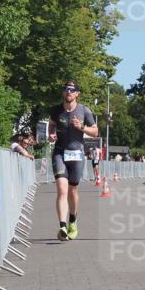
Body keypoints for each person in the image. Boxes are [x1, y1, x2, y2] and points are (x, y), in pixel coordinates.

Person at [48, 81, 98, 241]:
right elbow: (51, 125)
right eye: (66, 89)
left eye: (72, 90)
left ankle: (73, 221)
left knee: (73, 190)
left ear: (77, 93)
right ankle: (62, 226)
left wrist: (82, 127)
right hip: (60, 153)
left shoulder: (84, 111)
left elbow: (95, 132)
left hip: (76, 154)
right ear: (63, 93)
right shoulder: (56, 110)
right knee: (62, 190)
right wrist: (51, 134)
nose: (68, 92)